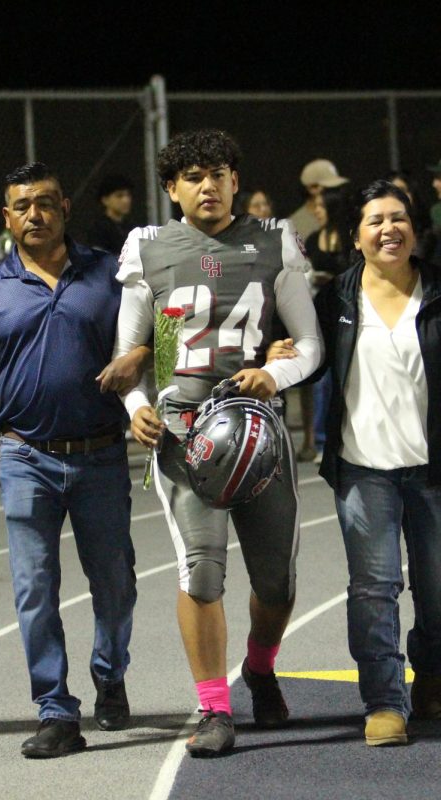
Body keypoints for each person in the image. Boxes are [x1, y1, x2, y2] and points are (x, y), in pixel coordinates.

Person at [115, 129, 322, 757]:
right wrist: (137, 406)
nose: (208, 185)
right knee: (200, 572)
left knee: (278, 584)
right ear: (172, 188)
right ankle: (213, 708)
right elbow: (128, 355)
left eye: (219, 173)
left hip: (257, 429)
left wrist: (274, 371)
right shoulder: (147, 247)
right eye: (194, 176)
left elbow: (309, 346)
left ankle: (259, 667)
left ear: (236, 180)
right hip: (185, 432)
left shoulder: (272, 239)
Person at [0, 163, 138, 758]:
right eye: (22, 205)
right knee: (34, 588)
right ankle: (55, 708)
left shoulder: (110, 277)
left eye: (46, 203)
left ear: (64, 209)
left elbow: (156, 338)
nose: (36, 214)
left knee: (115, 584)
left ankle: (109, 672)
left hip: (101, 457)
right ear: (6, 218)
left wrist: (138, 358)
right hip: (25, 457)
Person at [303, 180, 441, 746]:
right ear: (356, 236)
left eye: (398, 218)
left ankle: (431, 666)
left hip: (437, 469)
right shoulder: (334, 300)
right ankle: (384, 701)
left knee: (440, 590)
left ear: (414, 229)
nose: (389, 229)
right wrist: (278, 353)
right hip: (363, 469)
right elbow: (311, 365)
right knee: (373, 587)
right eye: (375, 221)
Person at [300, 184, 356, 462]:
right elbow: (304, 272)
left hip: (349, 314)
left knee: (348, 377)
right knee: (322, 380)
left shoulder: (350, 239)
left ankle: (348, 436)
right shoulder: (312, 240)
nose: (317, 211)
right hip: (321, 314)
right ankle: (322, 441)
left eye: (321, 207)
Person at [290, 158, 348, 240]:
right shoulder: (296, 225)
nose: (333, 192)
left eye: (335, 187)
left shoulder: (345, 216)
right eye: (329, 187)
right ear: (311, 188)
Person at [86, 174, 134, 257]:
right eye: (119, 196)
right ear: (105, 200)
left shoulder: (131, 227)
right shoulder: (99, 229)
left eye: (128, 195)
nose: (126, 200)